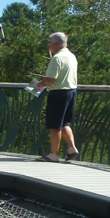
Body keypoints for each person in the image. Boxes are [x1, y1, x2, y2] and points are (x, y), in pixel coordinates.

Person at [35, 32, 79, 163]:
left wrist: (40, 84)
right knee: (65, 123)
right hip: (71, 92)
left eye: (50, 43)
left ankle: (53, 154)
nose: (49, 46)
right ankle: (72, 148)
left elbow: (50, 79)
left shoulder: (57, 58)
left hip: (59, 94)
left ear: (56, 43)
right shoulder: (71, 56)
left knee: (54, 125)